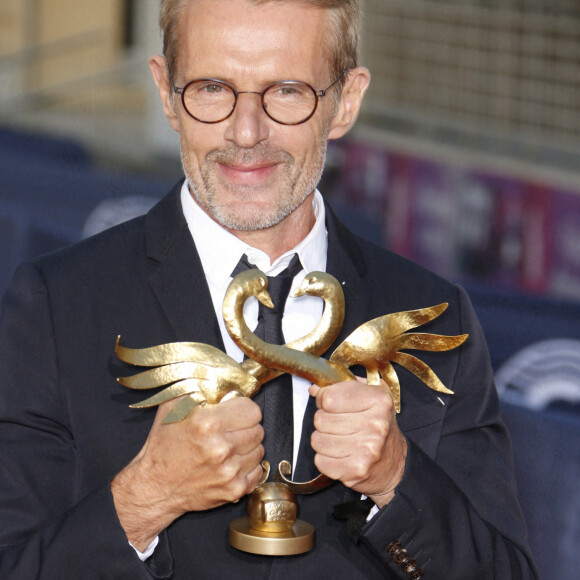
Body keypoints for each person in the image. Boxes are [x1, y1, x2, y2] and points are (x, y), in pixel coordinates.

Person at [0, 0, 538, 578]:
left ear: (344, 101)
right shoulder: (55, 306)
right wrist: (145, 498)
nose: (246, 132)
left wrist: (398, 477)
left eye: (285, 90)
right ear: (165, 92)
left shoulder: (434, 316)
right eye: (211, 87)